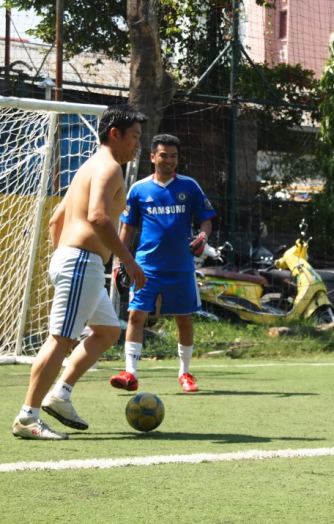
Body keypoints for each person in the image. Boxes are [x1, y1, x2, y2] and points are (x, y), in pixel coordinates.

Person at [12, 105, 148, 440]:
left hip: (77, 262)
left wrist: (62, 255)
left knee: (106, 331)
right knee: (61, 340)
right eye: (134, 137)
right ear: (115, 134)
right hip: (81, 263)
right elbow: (99, 218)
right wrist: (127, 260)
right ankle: (28, 416)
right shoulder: (110, 168)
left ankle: (61, 394)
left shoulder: (88, 166)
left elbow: (57, 219)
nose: (137, 145)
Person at [109, 134, 216, 393]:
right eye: (164, 155)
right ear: (153, 157)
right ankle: (130, 373)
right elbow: (128, 228)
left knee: (184, 319)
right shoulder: (138, 189)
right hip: (146, 265)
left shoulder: (190, 186)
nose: (169, 160)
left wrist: (203, 236)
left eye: (174, 156)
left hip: (181, 266)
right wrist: (119, 261)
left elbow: (206, 220)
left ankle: (186, 373)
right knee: (136, 315)